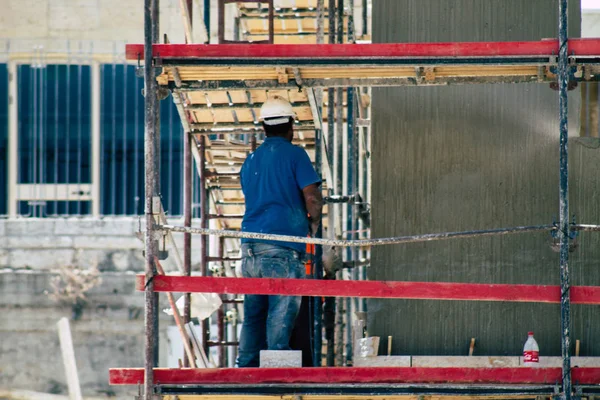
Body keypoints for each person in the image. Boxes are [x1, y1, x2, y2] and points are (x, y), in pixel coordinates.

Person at [236, 96, 323, 368]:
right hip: (282, 247)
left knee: (253, 313)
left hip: (250, 246)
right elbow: (313, 198)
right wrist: (313, 225)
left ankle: (246, 367)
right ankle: (277, 369)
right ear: (291, 128)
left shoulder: (250, 160)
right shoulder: (295, 154)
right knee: (281, 309)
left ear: (263, 127)